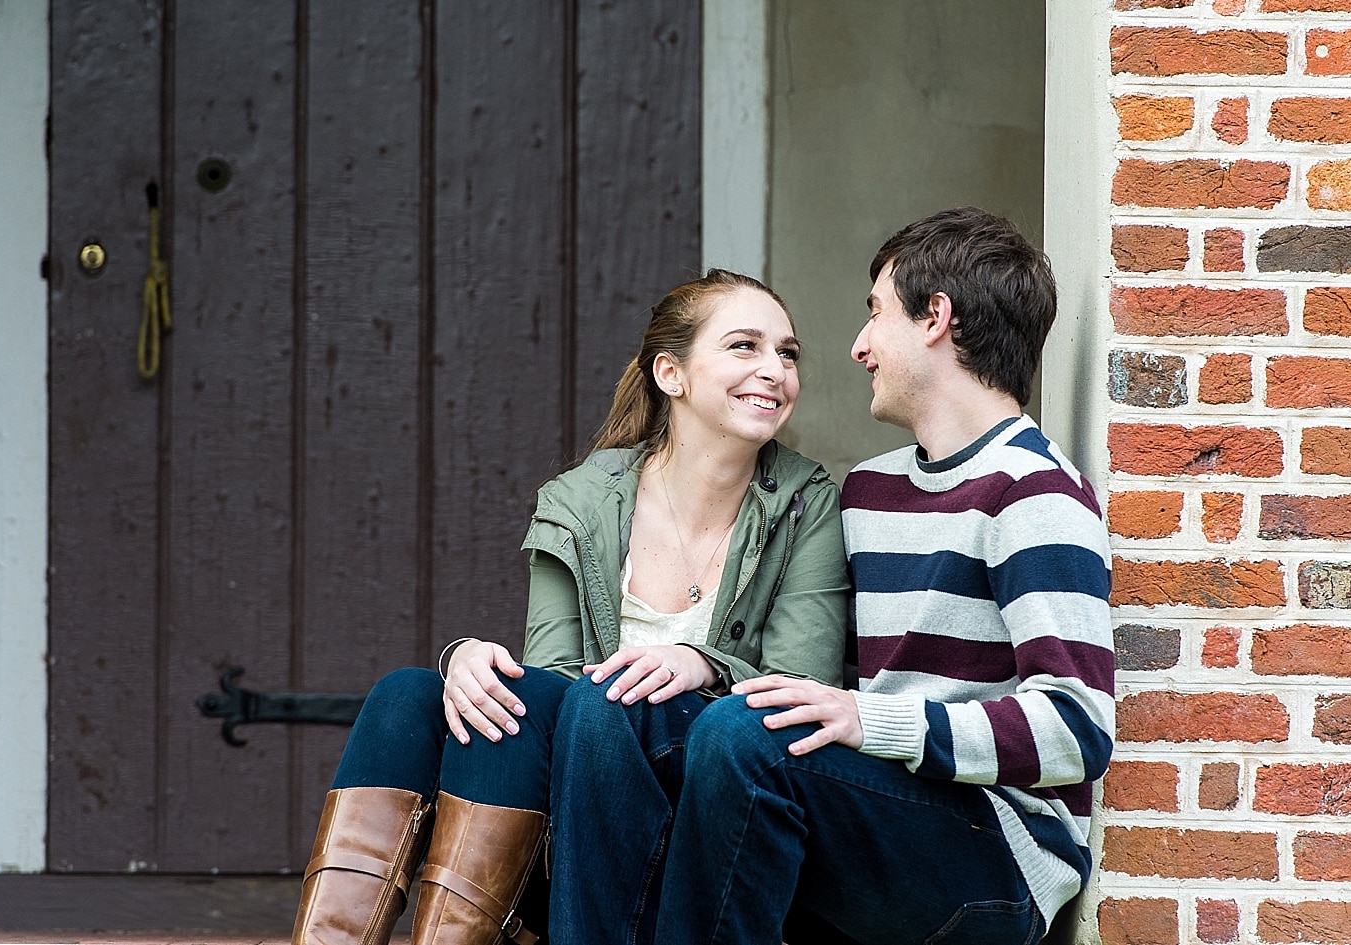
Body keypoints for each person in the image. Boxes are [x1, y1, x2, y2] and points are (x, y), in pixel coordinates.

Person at [290, 269, 849, 945]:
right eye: (744, 347)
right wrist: (468, 663)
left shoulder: (805, 499)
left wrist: (700, 662)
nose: (775, 370)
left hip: (701, 792)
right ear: (671, 374)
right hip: (577, 802)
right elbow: (551, 676)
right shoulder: (579, 499)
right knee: (411, 694)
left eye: (786, 353)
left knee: (599, 700)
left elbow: (802, 681)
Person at [651, 208, 1116, 945]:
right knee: (668, 726)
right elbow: (823, 683)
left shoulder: (1033, 493)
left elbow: (1076, 728)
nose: (860, 346)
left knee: (746, 737)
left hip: (999, 853)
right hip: (885, 809)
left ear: (936, 317)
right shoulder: (869, 489)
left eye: (875, 312)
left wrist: (873, 720)